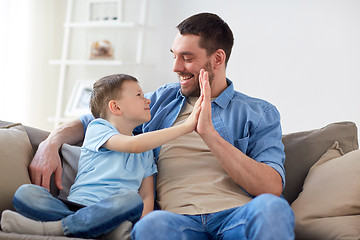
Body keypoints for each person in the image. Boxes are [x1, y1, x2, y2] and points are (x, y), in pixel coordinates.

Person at [25, 12, 295, 239]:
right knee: (150, 226)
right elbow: (95, 121)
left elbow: (271, 186)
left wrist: (208, 134)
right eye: (174, 56)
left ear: (218, 59)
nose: (176, 67)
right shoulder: (162, 100)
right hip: (176, 222)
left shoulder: (259, 113)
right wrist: (51, 142)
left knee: (274, 208)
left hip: (236, 216)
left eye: (187, 58)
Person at [0, 73, 202, 238]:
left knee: (131, 199)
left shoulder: (146, 150)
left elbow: (146, 195)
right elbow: (132, 145)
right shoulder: (99, 129)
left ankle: (58, 228)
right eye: (139, 95)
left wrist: (140, 230)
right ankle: (93, 228)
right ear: (115, 107)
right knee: (25, 193)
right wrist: (186, 126)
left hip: (115, 210)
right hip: (76, 206)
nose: (147, 99)